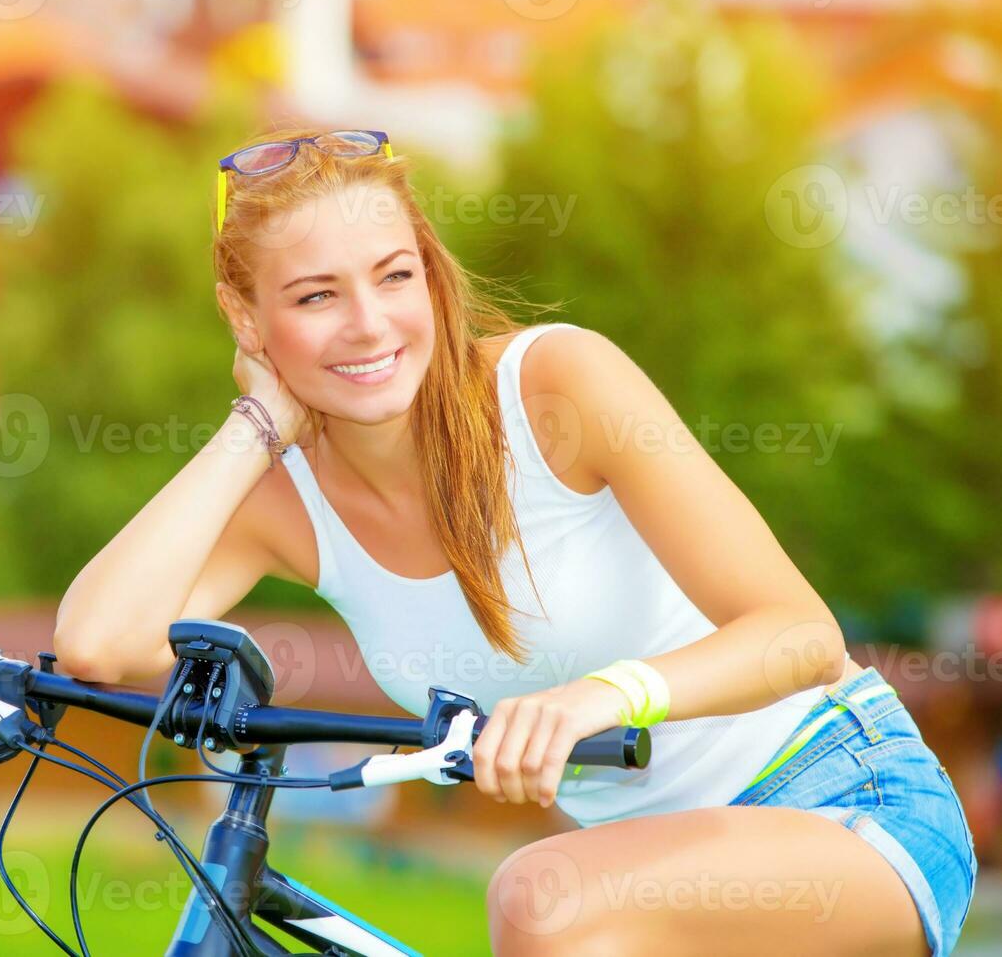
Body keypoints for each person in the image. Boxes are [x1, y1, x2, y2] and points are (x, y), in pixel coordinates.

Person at [53, 128, 976, 955]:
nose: (369, 324)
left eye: (394, 275)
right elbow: (100, 643)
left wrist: (598, 699)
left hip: (846, 800)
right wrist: (254, 423)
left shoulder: (554, 389)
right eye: (314, 295)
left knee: (540, 895)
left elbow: (800, 636)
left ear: (429, 273)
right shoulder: (283, 501)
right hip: (645, 876)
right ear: (246, 316)